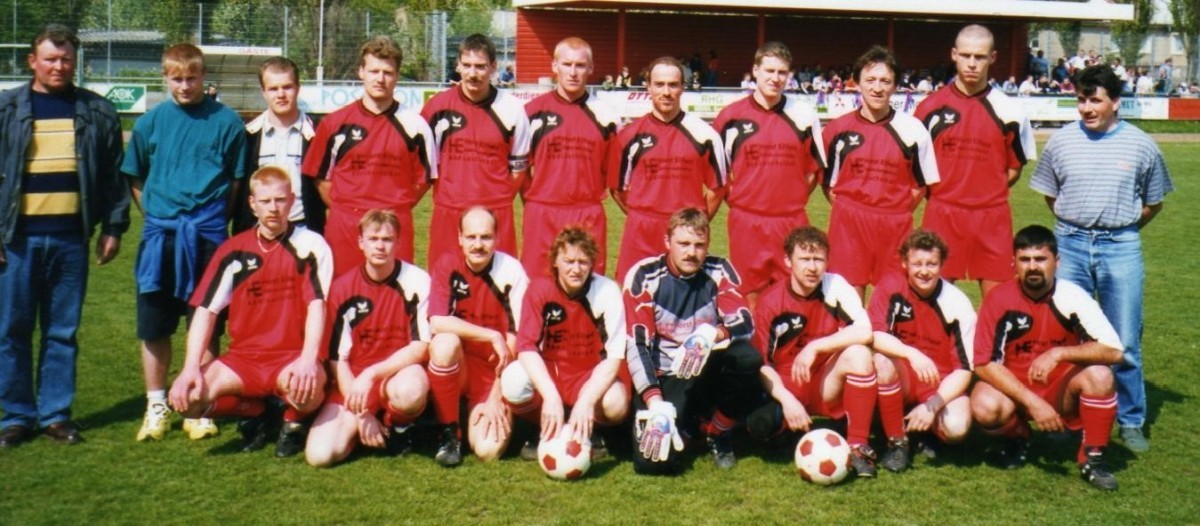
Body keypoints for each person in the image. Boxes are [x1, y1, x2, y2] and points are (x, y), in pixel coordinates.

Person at [1029, 64, 1173, 453]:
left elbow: (1153, 202)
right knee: (1063, 331)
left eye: (1095, 100)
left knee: (1124, 335)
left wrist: (1119, 231)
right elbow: (1049, 193)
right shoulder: (1061, 141)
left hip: (1120, 245)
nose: (1087, 108)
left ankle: (1129, 420)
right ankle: (1066, 413)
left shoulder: (1142, 144)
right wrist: (1075, 225)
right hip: (1070, 243)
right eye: (1081, 99)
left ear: (1115, 103)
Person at [0, 24, 129, 448]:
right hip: (15, 241)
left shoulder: (97, 111)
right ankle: (17, 415)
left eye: (66, 59)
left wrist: (112, 227)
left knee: (61, 331)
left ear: (75, 62)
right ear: (32, 61)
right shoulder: (6, 109)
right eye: (51, 59)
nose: (59, 66)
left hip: (71, 239)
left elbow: (113, 177)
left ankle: (55, 414)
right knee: (12, 330)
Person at [123, 43, 248, 442]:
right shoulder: (149, 124)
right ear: (165, 77)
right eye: (176, 78)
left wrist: (211, 221)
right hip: (162, 236)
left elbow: (235, 182)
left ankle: (197, 404)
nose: (184, 86)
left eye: (191, 77)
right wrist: (158, 215)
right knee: (155, 322)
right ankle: (156, 403)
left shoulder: (226, 121)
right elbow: (136, 178)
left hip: (207, 236)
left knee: (206, 321)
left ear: (203, 76)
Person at [167, 166, 332, 457]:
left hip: (289, 357)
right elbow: (206, 311)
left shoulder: (311, 245)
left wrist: (308, 360)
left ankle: (292, 421)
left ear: (292, 200)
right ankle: (254, 410)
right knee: (187, 401)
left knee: (309, 389)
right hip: (244, 360)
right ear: (252, 204)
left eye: (280, 200)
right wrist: (191, 366)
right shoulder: (233, 250)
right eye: (265, 201)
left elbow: (317, 305)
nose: (273, 209)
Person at [970, 225, 1125, 490]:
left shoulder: (1073, 296)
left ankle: (1092, 457)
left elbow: (1114, 350)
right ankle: (1018, 436)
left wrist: (1060, 353)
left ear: (1057, 261)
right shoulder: (998, 299)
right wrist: (1032, 402)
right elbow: (983, 363)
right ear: (1013, 263)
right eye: (1025, 260)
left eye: (1040, 259)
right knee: (984, 405)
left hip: (1059, 391)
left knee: (1101, 375)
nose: (1032, 267)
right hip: (1015, 393)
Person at [623, 208, 761, 473]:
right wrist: (655, 402)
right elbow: (637, 344)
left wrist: (712, 334)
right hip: (665, 373)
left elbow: (745, 321)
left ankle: (718, 432)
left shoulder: (719, 268)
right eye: (683, 244)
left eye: (699, 245)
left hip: (704, 368)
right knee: (653, 465)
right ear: (667, 242)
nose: (691, 252)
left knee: (747, 358)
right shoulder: (644, 275)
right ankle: (689, 423)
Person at [745, 226, 883, 478]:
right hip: (787, 385)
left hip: (822, 381)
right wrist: (788, 401)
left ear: (827, 261)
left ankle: (858, 446)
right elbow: (762, 364)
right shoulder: (770, 302)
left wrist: (815, 346)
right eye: (804, 259)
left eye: (818, 259)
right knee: (759, 425)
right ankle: (788, 430)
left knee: (859, 354)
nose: (812, 267)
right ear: (788, 261)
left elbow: (865, 332)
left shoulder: (835, 286)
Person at [914, 25, 1037, 299]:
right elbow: (916, 169)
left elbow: (1014, 167)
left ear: (993, 58)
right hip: (942, 213)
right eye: (966, 55)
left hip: (991, 217)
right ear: (954, 55)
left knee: (999, 303)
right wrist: (947, 195)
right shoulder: (928, 109)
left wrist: (983, 192)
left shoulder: (1011, 111)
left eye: (979, 57)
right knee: (932, 301)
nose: (972, 64)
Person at [305, 209, 430, 467]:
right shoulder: (341, 288)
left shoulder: (418, 281)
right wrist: (361, 415)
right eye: (373, 239)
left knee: (411, 390)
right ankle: (364, 429)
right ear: (361, 242)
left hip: (395, 374)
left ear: (398, 242)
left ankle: (398, 426)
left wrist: (373, 373)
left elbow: (420, 347)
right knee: (320, 456)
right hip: (353, 382)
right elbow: (337, 360)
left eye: (387, 239)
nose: (380, 246)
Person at [304, 37, 437, 278]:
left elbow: (424, 179)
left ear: (397, 76)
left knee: (395, 298)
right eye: (374, 70)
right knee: (343, 297)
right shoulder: (334, 123)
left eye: (387, 72)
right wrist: (347, 209)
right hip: (345, 226)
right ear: (361, 72)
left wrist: (396, 206)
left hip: (395, 225)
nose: (380, 78)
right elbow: (321, 179)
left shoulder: (415, 126)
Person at [713, 41, 825, 308]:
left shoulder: (804, 116)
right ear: (755, 70)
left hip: (790, 219)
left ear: (789, 75)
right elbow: (719, 173)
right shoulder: (730, 118)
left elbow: (812, 172)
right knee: (749, 294)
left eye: (782, 72)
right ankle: (755, 349)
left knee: (794, 293)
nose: (775, 78)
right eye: (769, 71)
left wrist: (789, 200)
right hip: (747, 221)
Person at [822, 46, 940, 299]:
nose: (877, 87)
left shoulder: (913, 130)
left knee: (892, 299)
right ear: (857, 83)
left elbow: (921, 185)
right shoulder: (836, 130)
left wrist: (894, 210)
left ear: (895, 85)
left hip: (894, 223)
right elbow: (828, 185)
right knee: (849, 303)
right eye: (871, 80)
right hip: (849, 224)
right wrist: (853, 209)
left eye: (885, 81)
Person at [500, 227, 629, 458]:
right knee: (513, 381)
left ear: (592, 263)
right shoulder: (540, 289)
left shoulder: (607, 291)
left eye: (583, 261)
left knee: (617, 403)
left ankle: (590, 429)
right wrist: (550, 396)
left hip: (588, 375)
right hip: (553, 373)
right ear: (555, 261)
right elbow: (526, 348)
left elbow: (614, 356)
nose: (576, 269)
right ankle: (543, 426)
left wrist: (587, 400)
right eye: (569, 261)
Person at [607, 57, 727, 281]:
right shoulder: (629, 136)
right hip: (640, 231)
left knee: (683, 300)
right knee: (633, 298)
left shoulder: (705, 135)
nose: (666, 91)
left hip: (684, 232)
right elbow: (618, 189)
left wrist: (693, 224)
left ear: (683, 87)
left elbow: (717, 189)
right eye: (659, 84)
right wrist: (642, 215)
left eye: (673, 85)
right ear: (648, 87)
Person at [426, 207, 529, 467]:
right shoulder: (447, 264)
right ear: (459, 237)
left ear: (496, 238)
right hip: (460, 364)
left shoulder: (512, 271)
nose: (478, 245)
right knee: (444, 343)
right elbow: (437, 320)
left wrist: (497, 395)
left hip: (493, 372)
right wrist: (491, 335)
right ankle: (449, 433)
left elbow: (518, 338)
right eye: (471, 237)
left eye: (485, 237)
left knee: (487, 451)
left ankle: (471, 411)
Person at [422, 34, 530, 268]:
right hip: (449, 212)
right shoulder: (436, 108)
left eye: (481, 66)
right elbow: (424, 167)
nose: (473, 74)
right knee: (445, 285)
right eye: (467, 65)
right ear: (458, 65)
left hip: (496, 213)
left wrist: (494, 200)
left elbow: (518, 169)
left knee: (498, 287)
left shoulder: (512, 109)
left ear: (493, 67)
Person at [869, 230, 975, 465]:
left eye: (931, 264)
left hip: (939, 381)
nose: (924, 271)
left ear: (941, 265)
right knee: (883, 361)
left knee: (956, 428)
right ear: (905, 263)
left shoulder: (957, 303)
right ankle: (898, 441)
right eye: (917, 263)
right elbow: (875, 336)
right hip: (903, 375)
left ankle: (926, 430)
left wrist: (933, 405)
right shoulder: (890, 286)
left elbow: (964, 369)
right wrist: (911, 353)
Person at [520, 37, 619, 277]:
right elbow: (520, 170)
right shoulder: (531, 113)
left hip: (587, 213)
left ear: (591, 68)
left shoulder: (607, 117)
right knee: (537, 285)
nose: (573, 72)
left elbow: (611, 173)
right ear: (554, 66)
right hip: (542, 213)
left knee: (587, 286)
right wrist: (535, 204)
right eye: (567, 64)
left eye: (580, 65)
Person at [233, 57, 324, 235]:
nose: (281, 94)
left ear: (298, 87)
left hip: (304, 229)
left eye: (287, 87)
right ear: (263, 92)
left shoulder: (318, 133)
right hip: (259, 231)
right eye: (273, 88)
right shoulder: (248, 135)